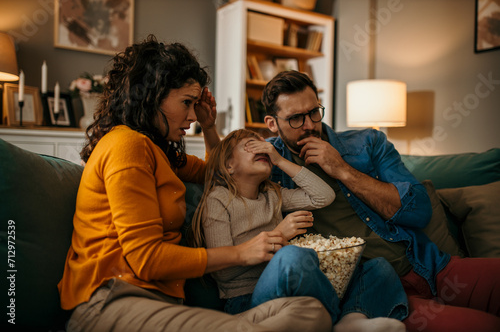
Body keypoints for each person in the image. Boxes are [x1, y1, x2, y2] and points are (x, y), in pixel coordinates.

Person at [57, 36, 333, 332]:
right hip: (112, 299)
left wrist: (210, 126)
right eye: (186, 103)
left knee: (312, 312)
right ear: (152, 97)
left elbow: (219, 173)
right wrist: (243, 252)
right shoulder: (128, 146)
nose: (192, 116)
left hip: (162, 304)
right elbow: (147, 260)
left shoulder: (159, 152)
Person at [261, 70, 500, 332]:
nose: (309, 125)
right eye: (296, 118)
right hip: (378, 291)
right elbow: (223, 176)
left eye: (314, 112)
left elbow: (419, 210)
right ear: (272, 123)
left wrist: (341, 169)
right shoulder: (269, 164)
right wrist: (211, 127)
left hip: (431, 265)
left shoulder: (368, 143)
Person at [190, 128, 408, 331]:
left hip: (294, 294)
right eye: (249, 146)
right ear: (229, 165)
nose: (262, 149)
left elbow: (323, 196)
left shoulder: (273, 194)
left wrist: (280, 160)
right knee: (292, 255)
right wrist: (279, 236)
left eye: (263, 146)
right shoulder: (218, 200)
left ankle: (351, 319)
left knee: (378, 266)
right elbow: (222, 271)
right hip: (248, 301)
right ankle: (336, 318)